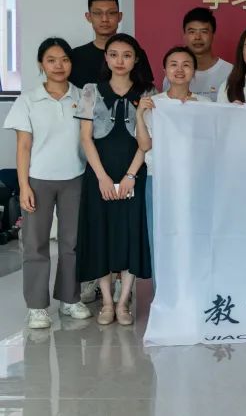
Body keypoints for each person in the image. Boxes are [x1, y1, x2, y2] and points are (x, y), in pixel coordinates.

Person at [3, 38, 93, 328]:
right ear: (41, 64)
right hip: (38, 180)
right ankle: (36, 307)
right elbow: (23, 146)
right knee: (35, 244)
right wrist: (24, 186)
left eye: (64, 59)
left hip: (75, 178)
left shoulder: (83, 97)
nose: (59, 65)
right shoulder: (28, 100)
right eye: (51, 60)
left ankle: (69, 299)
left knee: (72, 243)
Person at [75, 33, 155, 326]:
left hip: (134, 172)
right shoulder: (90, 91)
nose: (120, 61)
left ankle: (124, 303)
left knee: (131, 233)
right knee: (101, 234)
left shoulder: (147, 91)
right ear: (106, 58)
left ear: (136, 59)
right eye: (114, 54)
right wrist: (102, 178)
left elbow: (147, 142)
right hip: (99, 174)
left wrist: (131, 175)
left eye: (127, 55)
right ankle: (107, 302)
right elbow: (86, 138)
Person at [136, 46, 209, 269]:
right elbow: (145, 145)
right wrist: (139, 114)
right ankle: (162, 288)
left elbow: (211, 145)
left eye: (186, 65)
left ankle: (192, 286)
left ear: (194, 72)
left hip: (194, 181)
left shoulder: (205, 105)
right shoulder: (153, 103)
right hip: (159, 179)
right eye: (173, 65)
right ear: (165, 70)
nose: (179, 70)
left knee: (194, 235)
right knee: (159, 235)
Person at [163, 7, 232, 99]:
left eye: (204, 32)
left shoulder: (230, 72)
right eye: (192, 32)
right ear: (184, 35)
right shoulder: (174, 74)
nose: (197, 37)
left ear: (213, 35)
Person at [70, 0, 122, 88]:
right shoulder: (74, 56)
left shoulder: (134, 54)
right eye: (98, 13)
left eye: (111, 13)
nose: (105, 19)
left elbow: (146, 91)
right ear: (88, 17)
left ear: (120, 16)